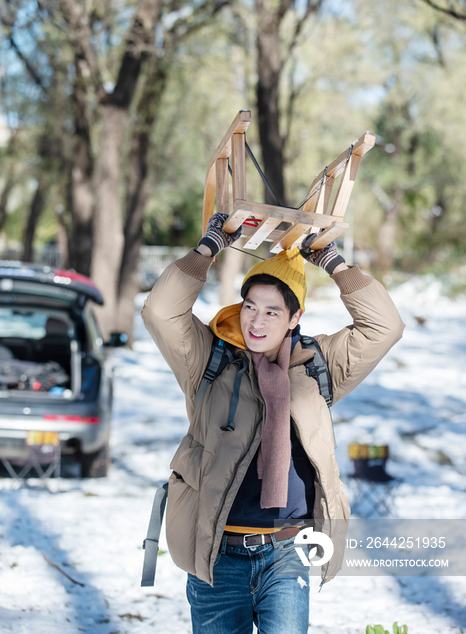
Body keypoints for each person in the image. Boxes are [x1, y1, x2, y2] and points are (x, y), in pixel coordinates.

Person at [141, 213, 404, 634]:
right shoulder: (209, 359)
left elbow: (385, 327)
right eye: (249, 307)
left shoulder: (317, 365)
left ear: (294, 318)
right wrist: (209, 246)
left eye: (271, 312)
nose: (256, 322)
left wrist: (333, 262)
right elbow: (160, 310)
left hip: (287, 553)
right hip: (217, 554)